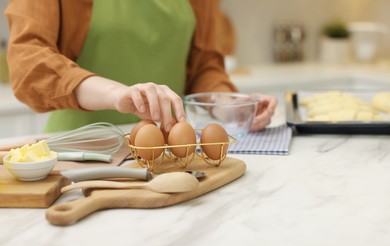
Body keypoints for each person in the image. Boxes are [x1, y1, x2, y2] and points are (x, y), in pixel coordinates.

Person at [5, 0, 277, 133]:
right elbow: (27, 59)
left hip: (167, 153)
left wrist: (232, 109)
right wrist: (116, 95)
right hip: (81, 151)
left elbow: (204, 66)